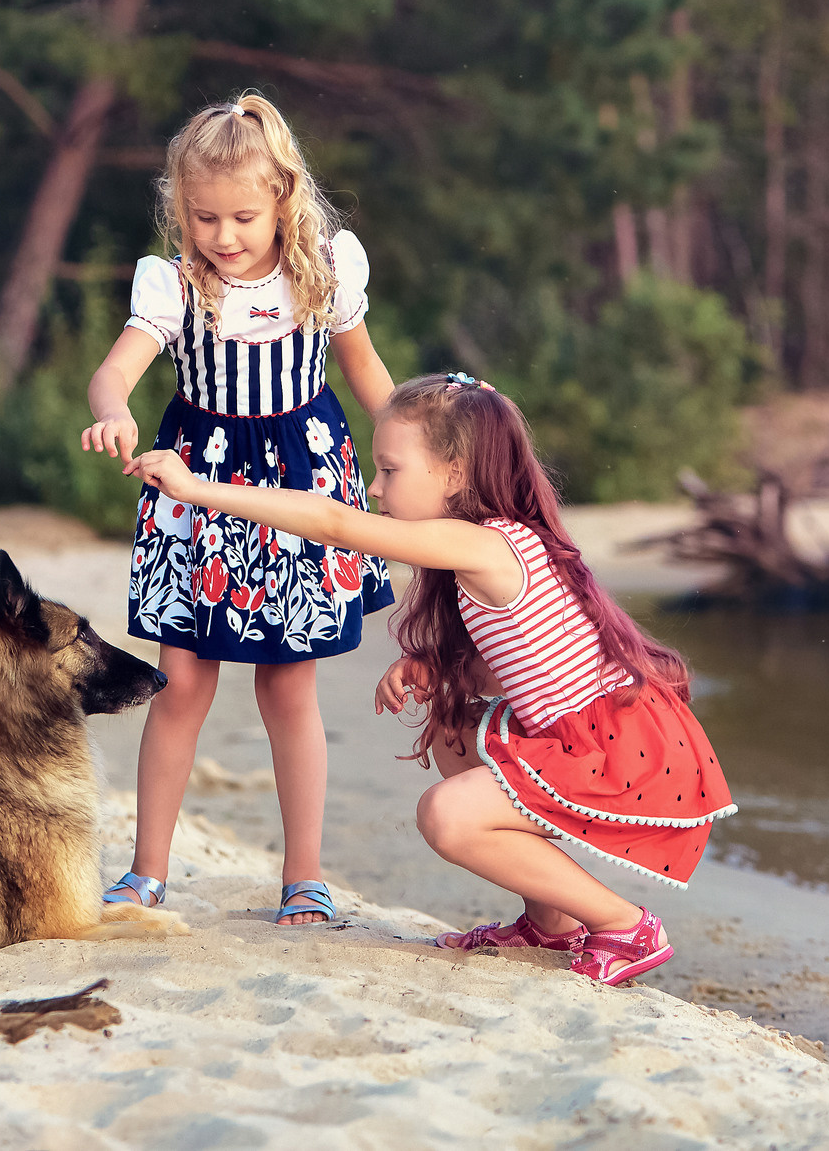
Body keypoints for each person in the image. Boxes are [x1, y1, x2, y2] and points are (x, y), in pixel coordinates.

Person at [123, 371, 733, 985]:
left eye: (389, 471)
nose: (375, 486)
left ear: (456, 471)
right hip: (586, 733)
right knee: (451, 730)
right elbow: (526, 657)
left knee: (445, 817)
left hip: (618, 748)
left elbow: (334, 525)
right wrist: (435, 668)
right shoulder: (487, 545)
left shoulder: (486, 545)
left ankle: (625, 926)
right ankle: (551, 922)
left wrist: (201, 490)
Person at [80, 91, 397, 927]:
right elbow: (116, 371)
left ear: (285, 200)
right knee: (179, 684)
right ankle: (148, 870)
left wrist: (425, 456)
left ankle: (304, 875)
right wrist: (113, 407)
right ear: (180, 210)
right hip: (198, 484)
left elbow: (371, 381)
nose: (223, 235)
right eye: (204, 216)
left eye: (243, 216)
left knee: (288, 688)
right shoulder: (176, 287)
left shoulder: (323, 275)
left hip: (302, 487)